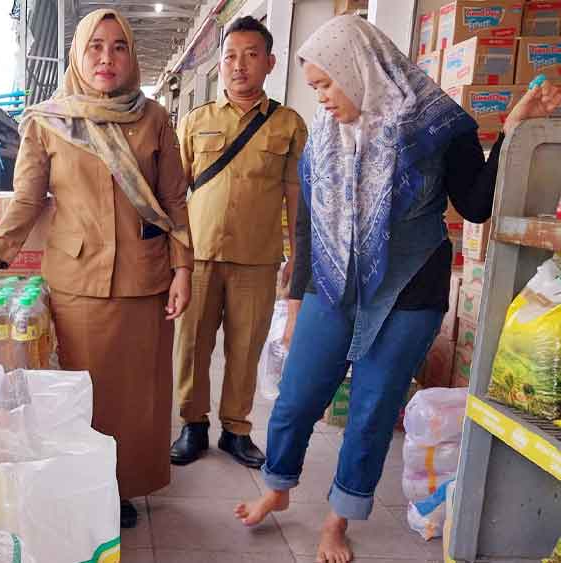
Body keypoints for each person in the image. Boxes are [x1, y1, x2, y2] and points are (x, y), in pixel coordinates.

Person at [232, 15, 561, 563]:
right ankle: (278, 486)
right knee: (296, 397)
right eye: (314, 87)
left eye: (326, 83)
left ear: (357, 67)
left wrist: (511, 130)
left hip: (411, 287)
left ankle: (338, 522)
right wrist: (294, 302)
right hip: (335, 286)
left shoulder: (435, 124)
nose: (324, 98)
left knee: (372, 409)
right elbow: (311, 222)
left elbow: (475, 205)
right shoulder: (327, 133)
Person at [0, 8, 193, 529]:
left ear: (131, 56)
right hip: (78, 282)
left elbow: (175, 200)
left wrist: (183, 269)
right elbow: (27, 199)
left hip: (145, 280)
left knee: (134, 398)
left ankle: (122, 486)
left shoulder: (153, 118)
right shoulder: (46, 121)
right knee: (85, 396)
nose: (107, 58)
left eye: (118, 46)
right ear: (78, 55)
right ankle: (86, 482)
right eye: (95, 46)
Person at [171, 16, 307, 469]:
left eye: (251, 55)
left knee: (246, 346)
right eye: (230, 56)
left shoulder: (287, 125)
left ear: (269, 62)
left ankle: (235, 430)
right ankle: (193, 426)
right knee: (191, 345)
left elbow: (295, 195)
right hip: (200, 256)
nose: (238, 65)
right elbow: (175, 194)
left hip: (258, 258)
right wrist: (175, 258)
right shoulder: (195, 121)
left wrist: (297, 259)